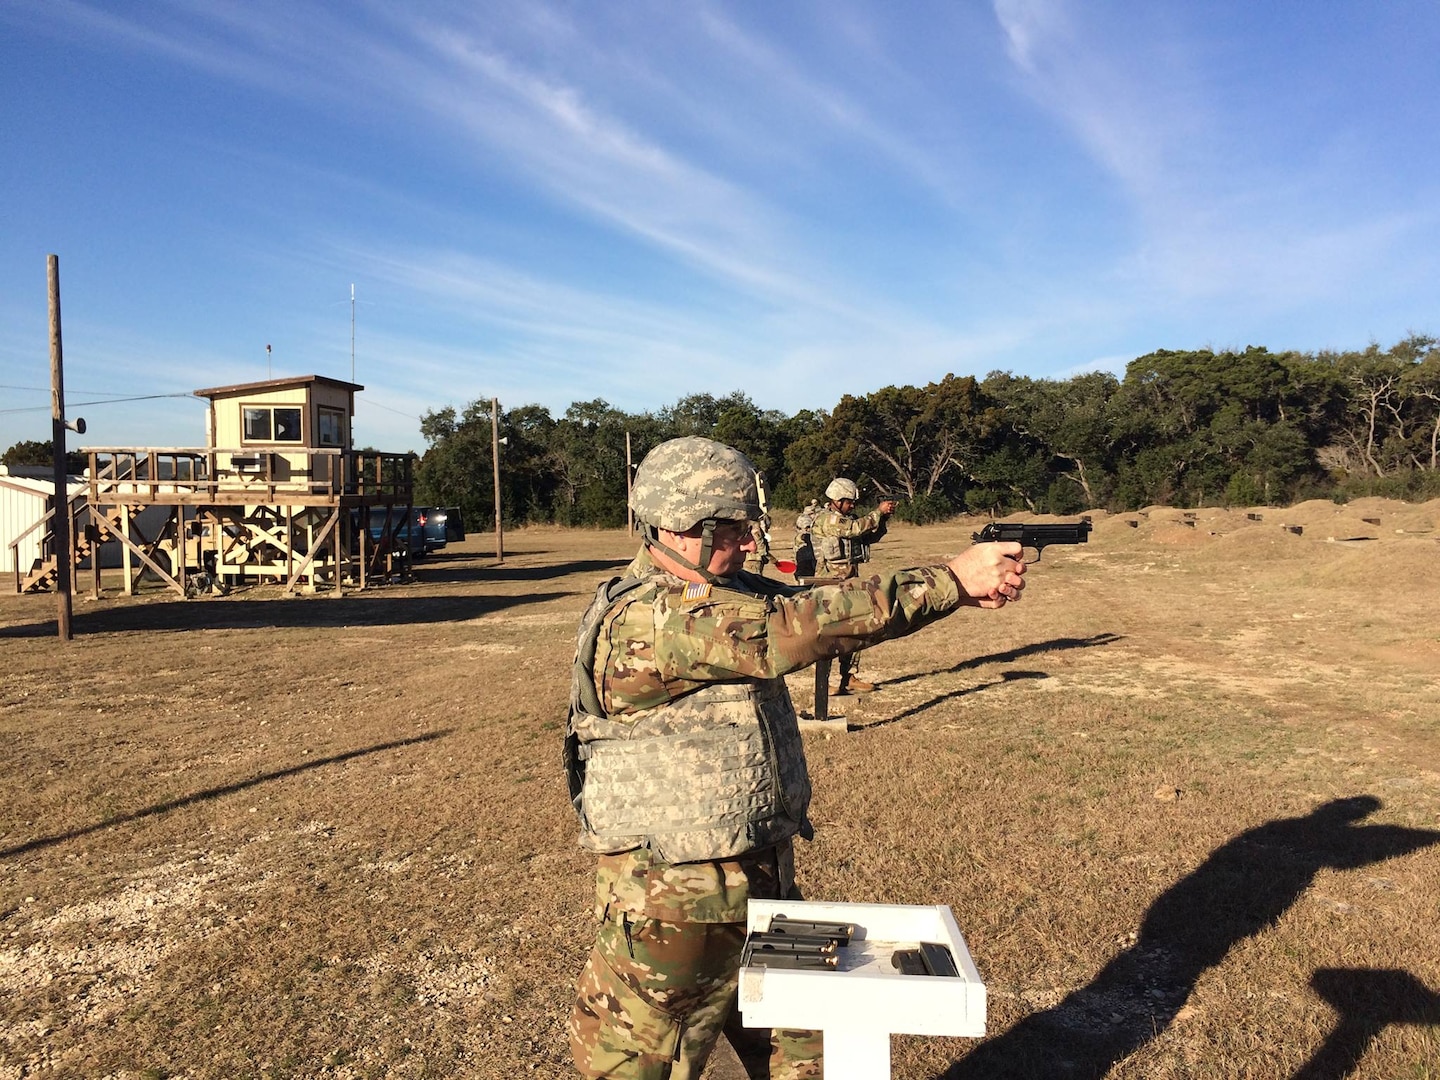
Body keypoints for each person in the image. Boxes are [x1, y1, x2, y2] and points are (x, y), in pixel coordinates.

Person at [565, 437, 1025, 1079]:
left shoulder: (721, 589)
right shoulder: (653, 617)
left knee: (809, 1053)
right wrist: (949, 579)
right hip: (672, 911)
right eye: (733, 529)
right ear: (678, 526)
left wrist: (957, 593)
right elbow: (796, 624)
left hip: (758, 879)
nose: (752, 543)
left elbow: (822, 597)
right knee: (642, 1065)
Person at [807, 478, 898, 695]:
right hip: (828, 584)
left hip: (849, 582)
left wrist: (883, 518)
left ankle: (848, 676)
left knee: (856, 629)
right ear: (837, 500)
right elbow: (855, 529)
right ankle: (823, 681)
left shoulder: (848, 519)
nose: (853, 506)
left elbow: (869, 536)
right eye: (849, 502)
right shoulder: (827, 519)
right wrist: (877, 511)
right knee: (828, 633)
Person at [790, 499, 820, 580]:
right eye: (811, 513)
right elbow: (806, 531)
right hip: (805, 558)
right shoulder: (804, 519)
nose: (813, 515)